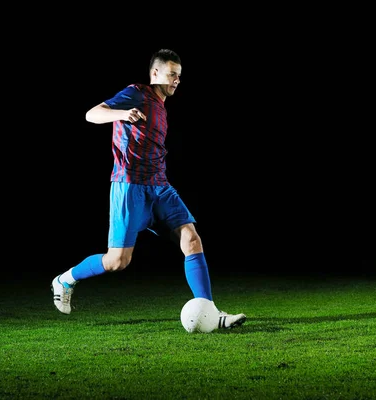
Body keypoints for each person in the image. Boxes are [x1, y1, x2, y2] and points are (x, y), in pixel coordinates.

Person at [51, 49, 246, 330]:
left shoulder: (161, 107)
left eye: (179, 76)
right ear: (155, 74)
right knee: (118, 261)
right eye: (171, 74)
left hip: (160, 186)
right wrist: (122, 113)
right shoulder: (137, 93)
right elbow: (91, 114)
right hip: (129, 186)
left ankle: (211, 311)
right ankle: (65, 279)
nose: (177, 80)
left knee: (191, 238)